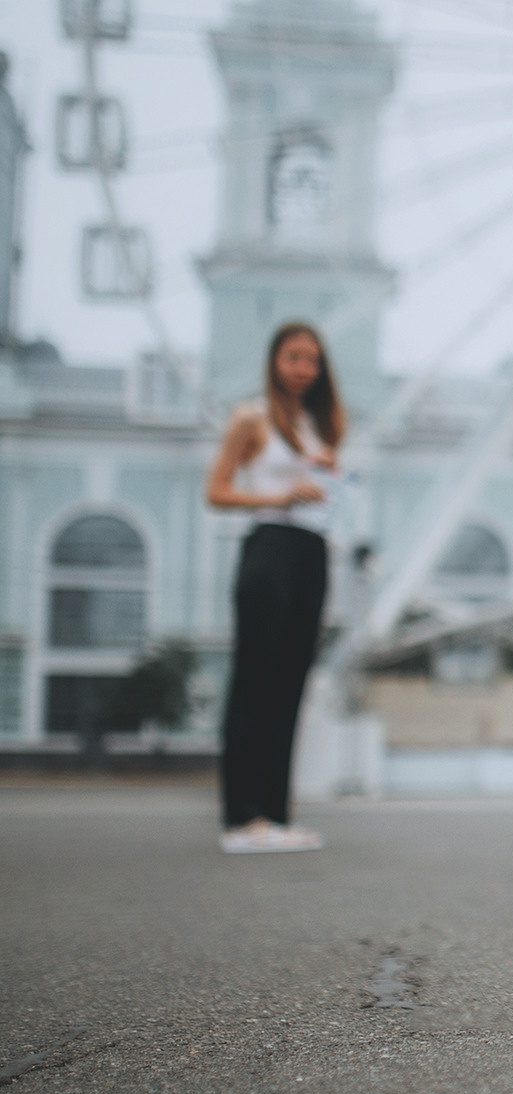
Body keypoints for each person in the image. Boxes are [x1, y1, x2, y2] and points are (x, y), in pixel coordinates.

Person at [204, 323, 343, 853]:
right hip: (270, 544)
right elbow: (216, 490)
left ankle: (276, 814)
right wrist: (282, 495)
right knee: (254, 682)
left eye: (312, 359)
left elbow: (322, 494)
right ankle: (242, 818)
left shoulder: (320, 425)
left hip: (312, 550)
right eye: (294, 357)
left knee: (290, 685)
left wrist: (327, 475)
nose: (304, 368)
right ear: (274, 360)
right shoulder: (251, 417)